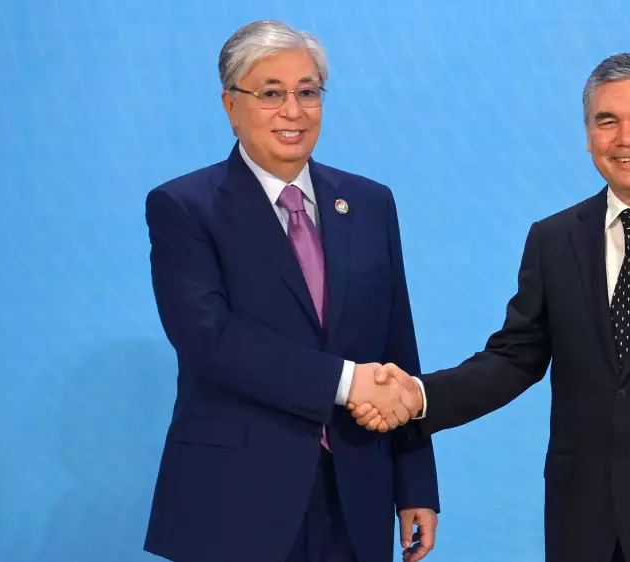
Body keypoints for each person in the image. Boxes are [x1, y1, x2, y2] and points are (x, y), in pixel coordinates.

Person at [350, 53, 630, 562]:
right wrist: (418, 396)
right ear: (588, 134)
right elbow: (513, 359)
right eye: (607, 121)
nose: (626, 138)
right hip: (585, 529)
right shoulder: (553, 240)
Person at [143, 20, 438, 562]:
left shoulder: (369, 203)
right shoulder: (185, 207)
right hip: (236, 497)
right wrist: (346, 382)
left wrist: (415, 481)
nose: (293, 111)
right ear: (231, 105)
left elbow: (398, 345)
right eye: (271, 94)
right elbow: (210, 340)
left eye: (308, 92)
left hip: (356, 491)